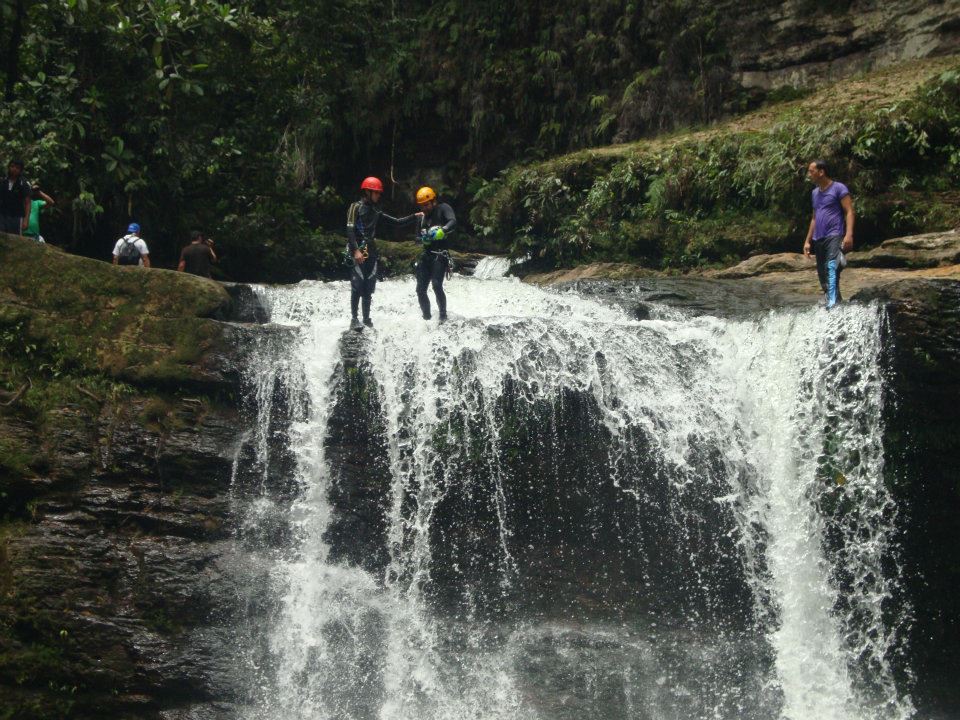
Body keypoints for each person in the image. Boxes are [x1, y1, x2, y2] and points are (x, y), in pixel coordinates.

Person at [345, 176, 421, 330]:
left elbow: (397, 222)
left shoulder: (375, 211)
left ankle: (366, 319)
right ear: (368, 192)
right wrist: (356, 251)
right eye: (377, 193)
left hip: (371, 251)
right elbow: (350, 230)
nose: (379, 196)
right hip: (357, 250)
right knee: (357, 285)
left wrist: (414, 217)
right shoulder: (355, 207)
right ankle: (354, 319)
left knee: (368, 286)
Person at [803, 160, 854, 309]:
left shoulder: (839, 188)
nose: (809, 174)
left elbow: (849, 211)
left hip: (834, 234)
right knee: (823, 275)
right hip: (818, 238)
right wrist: (807, 241)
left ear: (821, 172)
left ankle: (832, 305)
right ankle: (836, 303)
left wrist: (849, 234)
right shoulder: (814, 193)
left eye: (811, 171)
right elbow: (814, 218)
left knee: (831, 267)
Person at [414, 186, 456, 322]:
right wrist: (423, 240)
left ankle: (443, 316)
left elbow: (452, 221)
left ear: (433, 201)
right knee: (420, 289)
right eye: (422, 206)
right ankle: (426, 317)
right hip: (427, 255)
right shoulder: (422, 218)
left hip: (440, 254)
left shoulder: (443, 208)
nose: (424, 208)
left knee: (436, 284)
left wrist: (443, 230)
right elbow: (416, 238)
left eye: (426, 205)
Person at [0, 160, 31, 235]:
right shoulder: (3, 181)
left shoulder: (23, 183)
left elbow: (27, 202)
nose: (14, 169)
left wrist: (26, 220)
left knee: (15, 239)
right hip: (2, 215)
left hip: (17, 217)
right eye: (12, 166)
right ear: (9, 167)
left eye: (17, 168)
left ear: (20, 170)